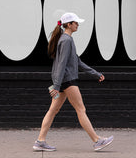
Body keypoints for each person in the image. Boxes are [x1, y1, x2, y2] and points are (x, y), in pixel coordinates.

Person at [33, 12, 114, 152]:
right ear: (68, 25)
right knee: (81, 109)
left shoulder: (66, 39)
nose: (78, 25)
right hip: (68, 81)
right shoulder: (66, 40)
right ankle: (97, 140)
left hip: (63, 81)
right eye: (76, 23)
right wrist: (57, 86)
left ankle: (40, 141)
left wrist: (95, 74)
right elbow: (61, 65)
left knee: (53, 110)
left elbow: (77, 62)